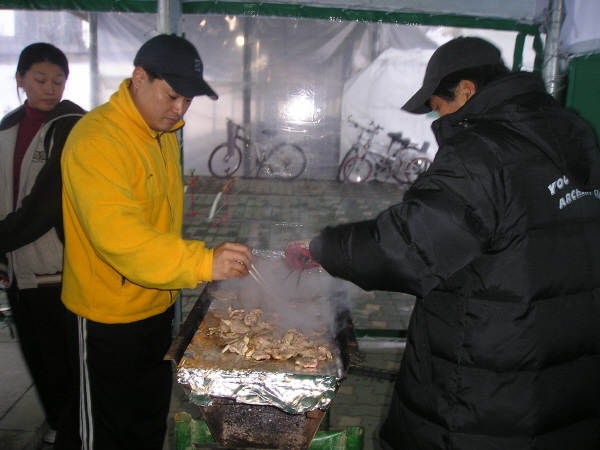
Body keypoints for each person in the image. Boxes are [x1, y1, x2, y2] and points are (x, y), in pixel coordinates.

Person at [286, 36, 600, 449]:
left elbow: (406, 247)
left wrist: (323, 247)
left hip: (487, 381)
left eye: (438, 106)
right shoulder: (575, 135)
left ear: (466, 91)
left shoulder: (483, 151)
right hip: (566, 372)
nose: (438, 119)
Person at [57, 34, 253, 449]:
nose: (179, 109)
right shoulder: (98, 139)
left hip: (156, 307)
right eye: (171, 95)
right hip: (106, 317)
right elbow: (120, 236)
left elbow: (158, 225)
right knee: (102, 433)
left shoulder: (160, 135)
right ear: (139, 77)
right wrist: (202, 262)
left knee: (147, 422)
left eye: (188, 100)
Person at [0, 42, 85, 445]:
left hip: (58, 266)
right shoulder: (8, 127)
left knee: (63, 359)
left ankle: (73, 431)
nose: (50, 89)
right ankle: (57, 426)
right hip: (18, 266)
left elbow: (45, 207)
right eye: (40, 79)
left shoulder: (72, 126)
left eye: (58, 81)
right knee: (36, 354)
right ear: (20, 79)